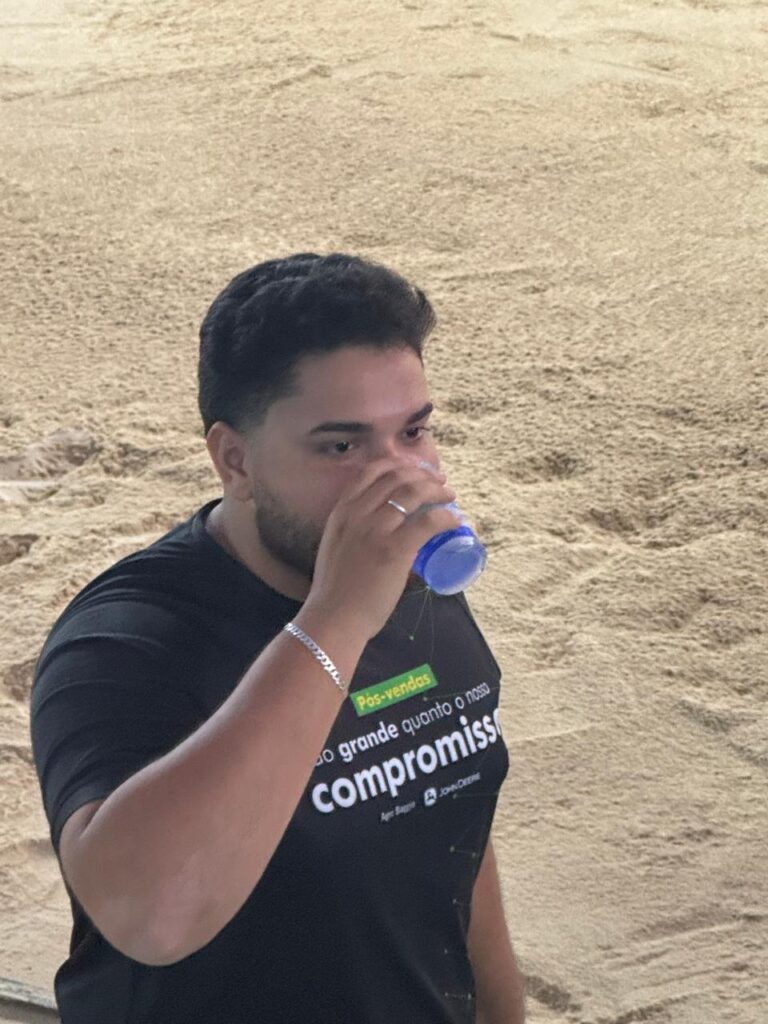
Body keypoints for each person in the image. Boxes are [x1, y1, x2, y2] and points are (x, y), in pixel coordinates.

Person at [30, 252, 526, 1023]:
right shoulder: (126, 643)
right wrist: (337, 618)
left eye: (413, 431)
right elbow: (148, 919)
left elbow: (454, 822)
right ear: (235, 461)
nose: (398, 481)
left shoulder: (411, 582)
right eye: (342, 447)